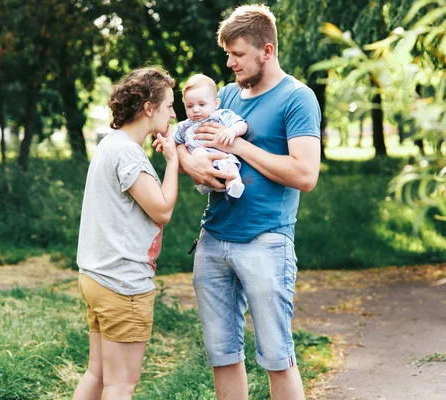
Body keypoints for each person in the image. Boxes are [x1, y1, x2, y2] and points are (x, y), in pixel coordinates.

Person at [177, 4, 321, 400]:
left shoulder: (298, 98)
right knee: (221, 355)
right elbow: (188, 143)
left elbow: (306, 175)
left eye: (238, 54)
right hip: (213, 240)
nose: (230, 63)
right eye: (228, 54)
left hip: (266, 242)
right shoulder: (224, 95)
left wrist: (239, 144)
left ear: (267, 51)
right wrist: (193, 166)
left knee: (277, 356)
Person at [73, 67, 178, 400]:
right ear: (149, 107)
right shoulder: (128, 153)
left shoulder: (111, 144)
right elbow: (162, 209)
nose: (174, 114)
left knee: (98, 374)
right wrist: (173, 162)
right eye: (169, 106)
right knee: (120, 386)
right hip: (122, 283)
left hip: (96, 276)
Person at [174, 73, 248, 203]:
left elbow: (242, 124)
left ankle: (233, 187)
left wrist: (232, 131)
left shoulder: (220, 116)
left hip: (222, 157)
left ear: (216, 103)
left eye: (202, 104)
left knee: (231, 166)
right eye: (190, 106)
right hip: (202, 168)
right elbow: (175, 142)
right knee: (198, 152)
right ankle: (220, 183)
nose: (196, 110)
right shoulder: (184, 126)